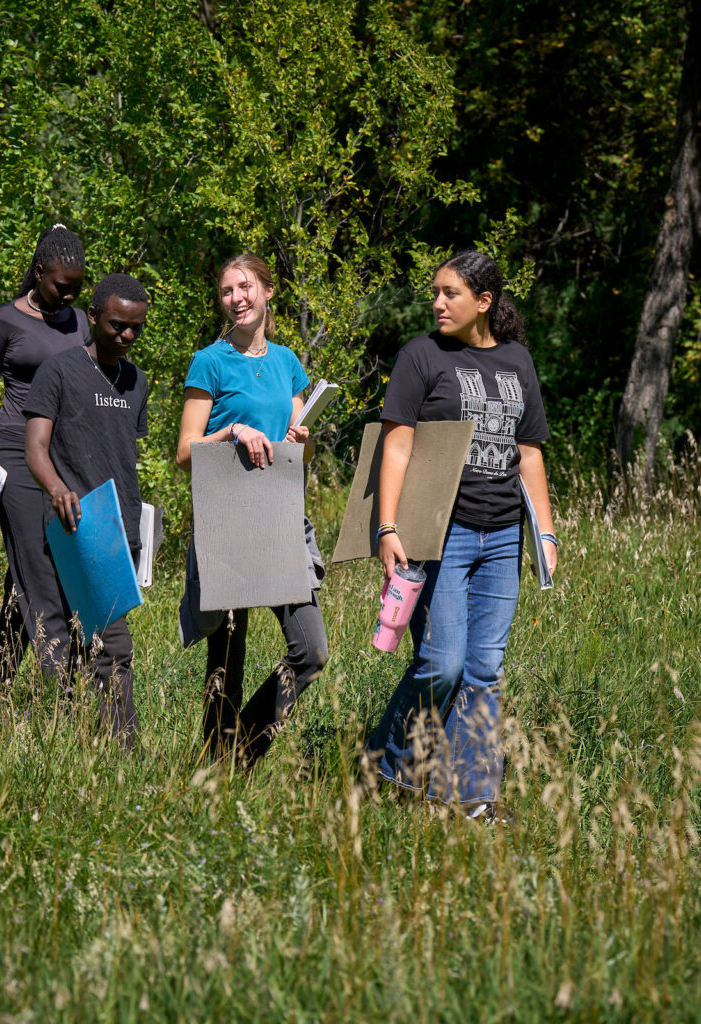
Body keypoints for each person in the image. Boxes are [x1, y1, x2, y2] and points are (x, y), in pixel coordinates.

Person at [365, 250, 556, 819]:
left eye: (450, 293)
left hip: (502, 536)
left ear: (484, 302)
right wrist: (387, 527)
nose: (438, 303)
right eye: (436, 292)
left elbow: (529, 452)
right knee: (442, 663)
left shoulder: (518, 360)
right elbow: (395, 444)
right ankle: (388, 762)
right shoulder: (421, 356)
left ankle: (471, 797)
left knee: (484, 671)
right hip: (438, 534)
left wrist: (544, 533)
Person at [175, 253, 329, 767]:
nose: (236, 298)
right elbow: (184, 453)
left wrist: (302, 439)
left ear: (268, 292)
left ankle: (241, 750)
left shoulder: (287, 362)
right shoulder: (209, 362)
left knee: (311, 651)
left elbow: (299, 450)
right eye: (226, 291)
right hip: (227, 519)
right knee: (227, 657)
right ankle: (215, 771)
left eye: (245, 287)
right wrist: (233, 431)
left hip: (280, 518)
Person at [0, 224, 88, 692]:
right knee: (42, 571)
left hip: (66, 458)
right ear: (38, 273)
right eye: (61, 287)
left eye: (78, 288)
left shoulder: (82, 323)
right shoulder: (3, 323)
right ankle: (67, 694)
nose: (70, 296)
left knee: (27, 577)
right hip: (15, 453)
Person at [22, 273, 151, 748]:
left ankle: (101, 750)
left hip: (115, 528)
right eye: (118, 325)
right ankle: (120, 751)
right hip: (71, 524)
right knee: (82, 643)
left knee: (106, 645)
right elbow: (35, 446)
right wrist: (57, 489)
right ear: (92, 317)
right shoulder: (59, 371)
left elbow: (122, 455)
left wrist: (138, 528)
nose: (127, 336)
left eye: (136, 327)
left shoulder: (137, 382)